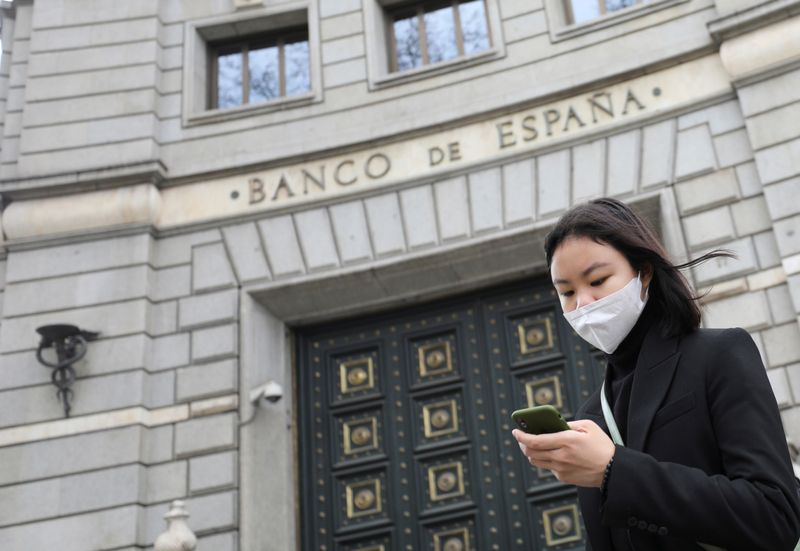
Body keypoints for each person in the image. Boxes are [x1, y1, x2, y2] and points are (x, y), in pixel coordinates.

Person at [512, 198, 800, 551]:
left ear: (644, 272)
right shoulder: (592, 416)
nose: (583, 304)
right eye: (567, 292)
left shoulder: (719, 354)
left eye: (598, 280)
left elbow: (775, 516)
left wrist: (613, 470)